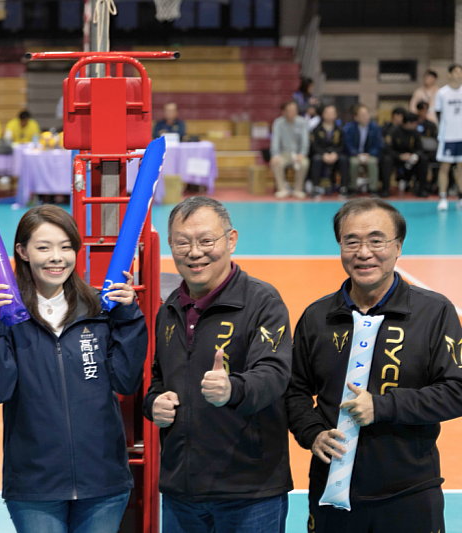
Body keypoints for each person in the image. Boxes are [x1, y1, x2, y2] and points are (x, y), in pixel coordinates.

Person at [286, 198, 462, 533]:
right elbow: (293, 390)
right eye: (351, 241)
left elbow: (457, 390)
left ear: (398, 247)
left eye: (377, 240)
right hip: (330, 493)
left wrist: (382, 406)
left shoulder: (434, 313)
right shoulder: (316, 317)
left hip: (409, 493)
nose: (363, 252)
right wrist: (313, 434)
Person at [0, 205, 148, 533]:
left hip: (103, 482)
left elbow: (126, 380)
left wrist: (128, 317)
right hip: (35, 486)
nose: (57, 257)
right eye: (44, 247)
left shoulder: (99, 309)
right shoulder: (6, 317)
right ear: (22, 252)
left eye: (66, 247)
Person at [143, 197, 293, 533]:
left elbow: (274, 374)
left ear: (231, 240)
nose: (195, 252)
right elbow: (158, 378)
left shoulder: (262, 302)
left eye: (206, 240)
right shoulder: (169, 309)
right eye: (182, 242)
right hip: (182, 492)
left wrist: (233, 389)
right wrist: (153, 403)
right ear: (170, 246)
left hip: (249, 493)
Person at [380, 112, 429, 198]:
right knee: (387, 159)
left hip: (411, 159)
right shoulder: (394, 131)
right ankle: (385, 189)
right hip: (396, 158)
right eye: (415, 123)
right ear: (409, 123)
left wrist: (414, 155)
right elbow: (388, 149)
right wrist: (399, 156)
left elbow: (420, 148)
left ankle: (421, 189)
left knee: (424, 159)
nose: (416, 125)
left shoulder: (415, 133)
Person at [434, 63, 462, 211]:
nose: (459, 74)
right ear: (449, 74)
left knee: (461, 168)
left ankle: (461, 197)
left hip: (461, 137)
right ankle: (443, 197)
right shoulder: (442, 93)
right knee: (445, 167)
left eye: (461, 72)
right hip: (448, 137)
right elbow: (438, 114)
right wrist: (445, 131)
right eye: (456, 72)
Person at [270, 100, 310, 198]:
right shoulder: (278, 123)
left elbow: (305, 141)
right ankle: (282, 189)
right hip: (283, 154)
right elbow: (275, 141)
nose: (293, 112)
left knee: (304, 163)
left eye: (294, 110)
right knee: (276, 162)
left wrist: (302, 154)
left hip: (298, 154)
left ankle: (298, 189)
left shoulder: (302, 122)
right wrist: (275, 155)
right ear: (284, 112)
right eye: (290, 110)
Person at [309, 104, 350, 197]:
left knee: (344, 159)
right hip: (322, 155)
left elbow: (342, 145)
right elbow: (314, 145)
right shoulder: (316, 130)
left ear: (336, 115)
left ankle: (344, 188)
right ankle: (315, 187)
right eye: (328, 113)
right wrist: (324, 154)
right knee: (316, 159)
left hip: (336, 154)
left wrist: (335, 153)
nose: (330, 115)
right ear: (323, 114)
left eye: (333, 113)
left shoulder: (340, 130)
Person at [344, 104, 383, 195]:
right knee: (353, 163)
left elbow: (378, 145)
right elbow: (348, 144)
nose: (366, 117)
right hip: (356, 155)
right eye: (362, 115)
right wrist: (357, 154)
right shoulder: (350, 128)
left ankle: (373, 189)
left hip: (370, 155)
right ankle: (353, 188)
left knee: (373, 162)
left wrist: (369, 154)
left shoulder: (375, 128)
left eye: (367, 114)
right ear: (356, 117)